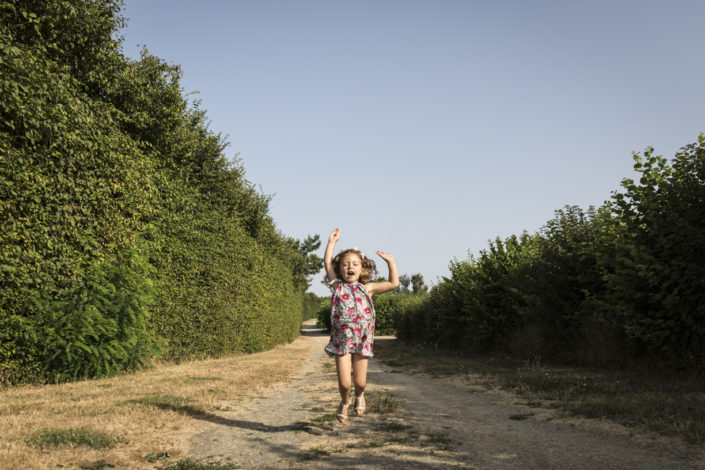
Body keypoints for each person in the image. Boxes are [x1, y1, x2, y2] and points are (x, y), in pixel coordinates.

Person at [323, 227, 399, 423]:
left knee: (360, 382)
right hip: (342, 342)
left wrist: (390, 262)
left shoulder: (368, 288)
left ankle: (360, 395)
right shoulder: (336, 286)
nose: (350, 267)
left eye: (355, 264)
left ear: (362, 269)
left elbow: (393, 283)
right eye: (346, 264)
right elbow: (326, 263)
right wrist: (332, 243)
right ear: (340, 269)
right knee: (345, 383)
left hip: (362, 341)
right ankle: (345, 402)